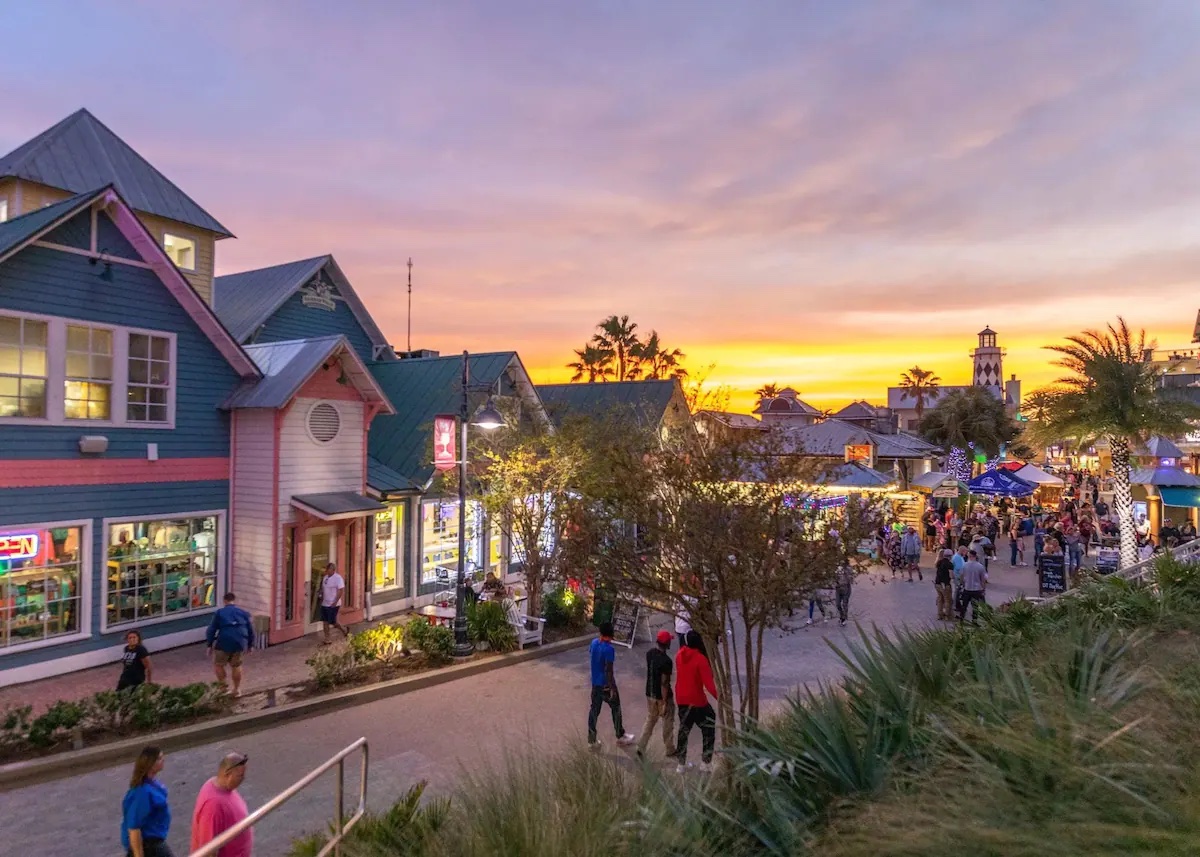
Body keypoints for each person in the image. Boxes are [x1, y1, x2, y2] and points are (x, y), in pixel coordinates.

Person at [190, 752, 253, 857]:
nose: (243, 779)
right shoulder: (213, 806)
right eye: (240, 775)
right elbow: (208, 850)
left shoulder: (222, 786)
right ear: (227, 774)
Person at [587, 621, 636, 749]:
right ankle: (620, 735)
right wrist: (612, 688)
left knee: (594, 711)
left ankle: (591, 740)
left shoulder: (594, 643)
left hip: (595, 684)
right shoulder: (609, 649)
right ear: (610, 635)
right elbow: (609, 670)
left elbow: (592, 656)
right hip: (606, 685)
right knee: (616, 708)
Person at [674, 630, 717, 773]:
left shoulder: (679, 655)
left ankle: (681, 764)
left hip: (681, 699)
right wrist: (721, 698)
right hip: (697, 700)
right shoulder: (701, 659)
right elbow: (709, 685)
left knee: (684, 730)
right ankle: (706, 762)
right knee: (709, 727)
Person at [121, 746, 173, 857]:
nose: (163, 760)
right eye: (159, 758)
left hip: (155, 842)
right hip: (149, 846)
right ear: (150, 763)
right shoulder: (142, 792)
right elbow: (134, 827)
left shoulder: (152, 784)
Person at [206, 592, 255, 698]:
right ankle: (237, 690)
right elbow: (250, 630)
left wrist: (209, 645)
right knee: (236, 665)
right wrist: (250, 645)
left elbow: (211, 629)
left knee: (219, 664)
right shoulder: (243, 613)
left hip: (225, 640)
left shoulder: (220, 613)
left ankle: (223, 688)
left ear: (224, 601)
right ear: (234, 600)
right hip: (240, 641)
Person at [636, 630, 676, 760]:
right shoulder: (667, 661)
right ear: (668, 643)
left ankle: (641, 746)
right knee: (667, 722)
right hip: (662, 697)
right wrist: (664, 702)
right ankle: (669, 748)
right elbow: (664, 683)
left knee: (650, 720)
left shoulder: (650, 654)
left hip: (650, 693)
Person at [319, 562, 349, 643]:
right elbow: (323, 588)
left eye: (328, 569)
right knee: (325, 621)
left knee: (333, 621)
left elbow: (341, 590)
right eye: (326, 569)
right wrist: (321, 595)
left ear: (333, 570)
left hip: (333, 604)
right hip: (325, 603)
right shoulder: (325, 578)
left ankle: (344, 630)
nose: (327, 571)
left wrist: (335, 601)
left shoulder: (338, 578)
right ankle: (327, 638)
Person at [959, 550, 988, 623]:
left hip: (967, 588)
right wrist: (983, 589)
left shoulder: (965, 565)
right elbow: (983, 580)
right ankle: (974, 621)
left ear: (970, 556)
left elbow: (961, 577)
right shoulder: (980, 566)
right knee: (975, 607)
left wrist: (962, 584)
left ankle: (961, 619)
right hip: (977, 589)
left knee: (964, 605)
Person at [934, 549, 955, 621]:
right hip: (945, 584)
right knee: (947, 600)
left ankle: (939, 615)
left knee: (940, 599)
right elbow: (951, 575)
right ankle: (947, 615)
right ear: (950, 556)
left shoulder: (939, 562)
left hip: (937, 583)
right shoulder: (949, 564)